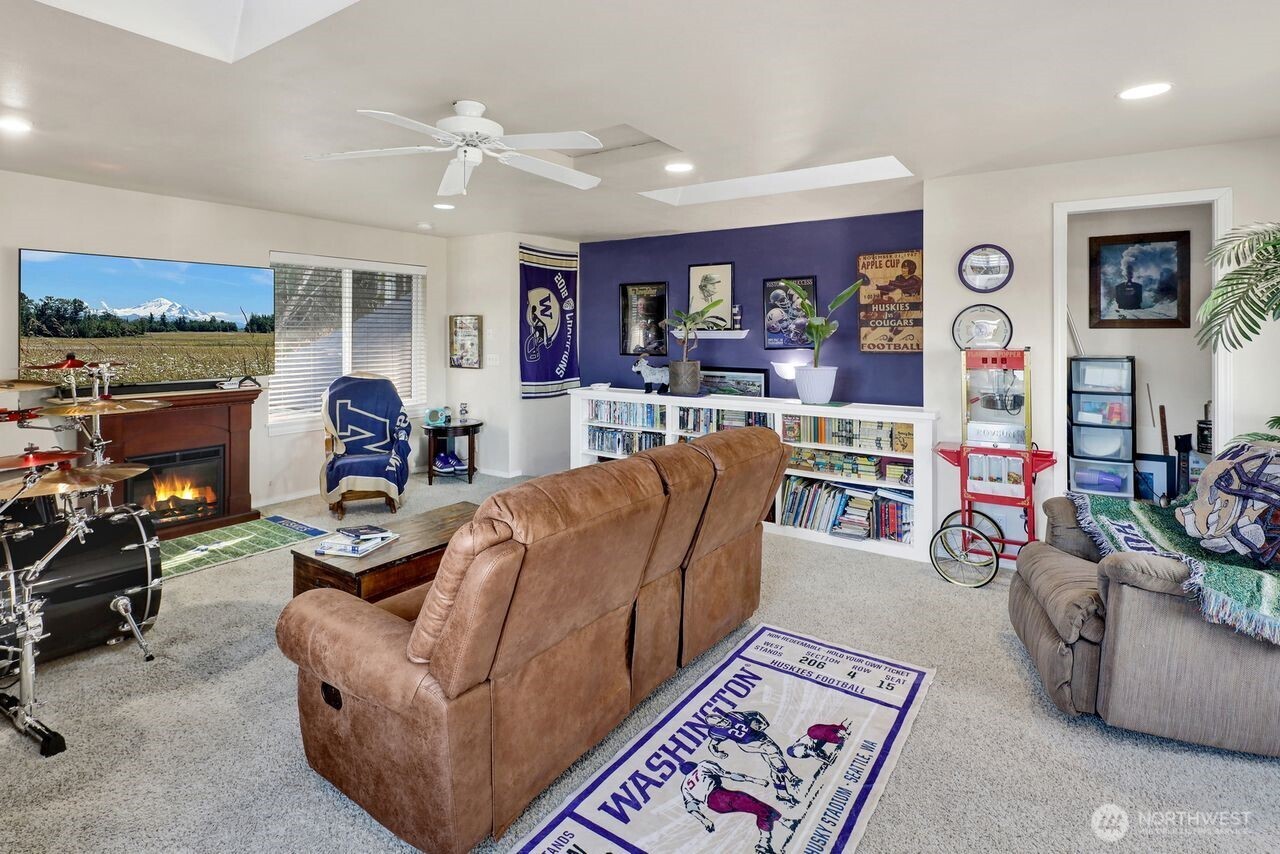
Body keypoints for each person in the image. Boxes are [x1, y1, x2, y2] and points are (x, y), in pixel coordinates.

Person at [679, 759, 799, 854]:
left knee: (759, 807)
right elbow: (728, 774)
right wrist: (754, 780)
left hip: (714, 806)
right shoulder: (702, 766)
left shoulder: (685, 786)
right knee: (759, 808)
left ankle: (786, 822)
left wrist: (705, 821)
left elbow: (691, 807)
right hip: (722, 796)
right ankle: (764, 843)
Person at [703, 709, 801, 805]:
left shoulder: (733, 715)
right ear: (716, 725)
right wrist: (717, 753)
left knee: (772, 763)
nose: (724, 721)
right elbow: (712, 745)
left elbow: (755, 714)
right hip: (748, 744)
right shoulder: (716, 732)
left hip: (760, 736)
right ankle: (790, 777)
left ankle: (782, 794)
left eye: (722, 719)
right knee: (772, 750)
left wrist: (764, 723)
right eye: (720, 722)